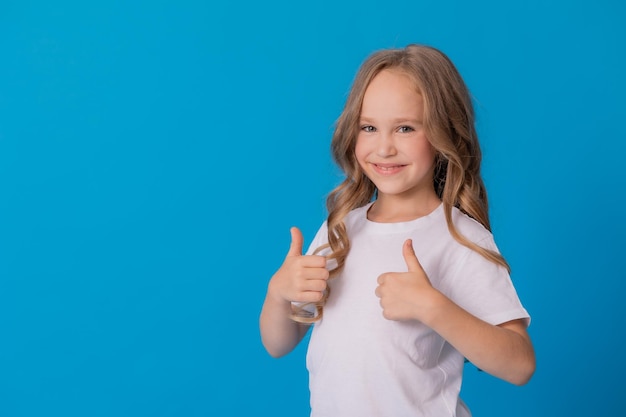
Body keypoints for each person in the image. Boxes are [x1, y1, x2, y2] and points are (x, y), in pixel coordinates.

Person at [259, 44, 535, 417]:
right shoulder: (340, 229)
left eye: (405, 128)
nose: (384, 147)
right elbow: (278, 344)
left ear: (443, 135)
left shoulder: (459, 239)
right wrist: (278, 294)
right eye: (369, 127)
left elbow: (519, 365)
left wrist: (433, 307)